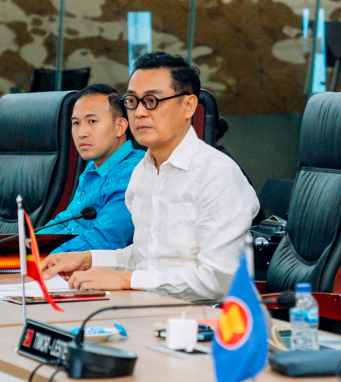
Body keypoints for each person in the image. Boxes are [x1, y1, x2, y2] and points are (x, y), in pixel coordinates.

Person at [39, 52, 258, 302]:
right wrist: (87, 259)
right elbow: (145, 259)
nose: (139, 112)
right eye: (133, 101)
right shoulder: (142, 173)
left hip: (201, 317)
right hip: (144, 306)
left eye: (152, 100)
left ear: (188, 106)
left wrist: (128, 280)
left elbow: (219, 279)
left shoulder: (217, 174)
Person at [41, 83, 145, 253]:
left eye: (92, 121)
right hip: (68, 259)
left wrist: (43, 258)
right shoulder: (93, 166)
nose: (81, 132)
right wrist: (25, 245)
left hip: (95, 264)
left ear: (119, 127)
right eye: (76, 123)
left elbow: (104, 240)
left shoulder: (132, 173)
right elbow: (66, 220)